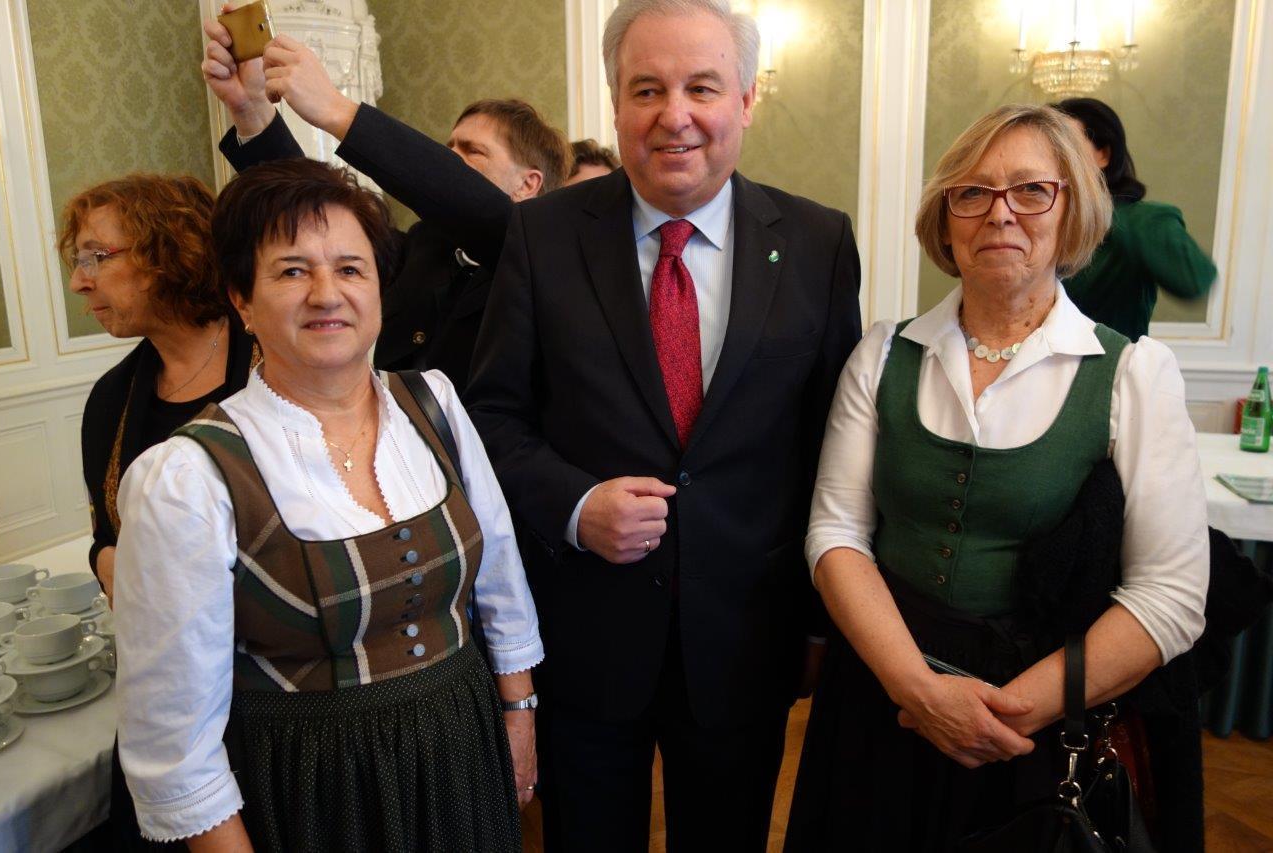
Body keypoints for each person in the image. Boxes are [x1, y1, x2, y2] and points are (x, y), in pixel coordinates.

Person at [464, 0, 862, 849]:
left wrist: (820, 623)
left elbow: (833, 450)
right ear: (616, 103)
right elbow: (489, 418)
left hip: (746, 642)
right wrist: (576, 505)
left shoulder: (819, 243)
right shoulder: (541, 236)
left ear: (746, 100)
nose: (673, 115)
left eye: (702, 88)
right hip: (585, 638)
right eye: (647, 89)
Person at [784, 104, 1209, 851]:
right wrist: (918, 689)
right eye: (972, 193)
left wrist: (1004, 714)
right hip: (881, 699)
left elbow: (1169, 596)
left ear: (1071, 210)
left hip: (1033, 729)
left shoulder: (1133, 374)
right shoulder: (882, 354)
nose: (1000, 213)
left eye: (1031, 190)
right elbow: (837, 531)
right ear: (945, 220)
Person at [113, 158, 544, 851]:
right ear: (242, 301)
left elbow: (499, 580)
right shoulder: (188, 477)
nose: (326, 293)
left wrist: (518, 712)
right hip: (319, 792)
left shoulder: (433, 404)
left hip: (464, 753)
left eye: (350, 268)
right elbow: (174, 738)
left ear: (379, 288)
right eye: (292, 271)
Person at [202, 15, 570, 389]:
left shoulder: (549, 258)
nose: (450, 160)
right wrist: (252, 110)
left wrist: (334, 108)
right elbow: (321, 215)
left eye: (472, 151)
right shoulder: (424, 247)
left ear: (528, 183)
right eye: (447, 149)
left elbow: (474, 205)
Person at [67, 173, 255, 852]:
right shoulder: (112, 400)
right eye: (77, 261)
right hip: (174, 706)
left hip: (278, 705)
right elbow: (104, 533)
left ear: (170, 248)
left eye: (96, 256)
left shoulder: (272, 362)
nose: (79, 281)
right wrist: (105, 560)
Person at [1053, 97, 1216, 341]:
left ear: (1104, 154)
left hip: (1108, 363)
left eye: (1068, 146)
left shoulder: (1144, 220)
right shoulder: (1039, 221)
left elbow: (1195, 281)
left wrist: (1124, 220)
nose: (1056, 157)